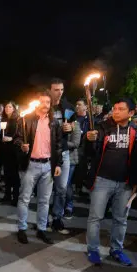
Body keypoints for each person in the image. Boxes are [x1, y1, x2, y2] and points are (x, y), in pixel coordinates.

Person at [83, 98, 137, 266]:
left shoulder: (136, 131)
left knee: (120, 219)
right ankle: (93, 249)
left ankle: (116, 249)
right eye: (115, 108)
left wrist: (135, 183)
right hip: (102, 180)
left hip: (125, 183)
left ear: (131, 113)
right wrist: (89, 139)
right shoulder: (102, 127)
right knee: (95, 217)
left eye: (121, 109)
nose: (115, 111)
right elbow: (90, 152)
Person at [14, 90, 63, 245]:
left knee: (44, 200)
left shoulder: (54, 122)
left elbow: (58, 145)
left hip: (48, 165)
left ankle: (41, 228)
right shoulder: (26, 119)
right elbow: (16, 138)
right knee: (25, 198)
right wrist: (22, 145)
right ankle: (22, 228)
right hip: (30, 165)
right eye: (42, 101)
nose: (45, 105)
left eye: (48, 102)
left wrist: (58, 164)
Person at [49, 78, 76, 234]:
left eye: (61, 89)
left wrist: (69, 127)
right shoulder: (45, 106)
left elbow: (73, 126)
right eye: (56, 89)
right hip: (47, 152)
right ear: (50, 90)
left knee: (61, 188)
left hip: (63, 152)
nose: (59, 92)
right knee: (45, 189)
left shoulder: (68, 107)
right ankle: (43, 218)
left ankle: (57, 217)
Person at [0, 102, 20, 205]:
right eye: (6, 106)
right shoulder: (3, 119)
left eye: (10, 106)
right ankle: (7, 195)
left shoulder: (17, 120)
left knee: (14, 175)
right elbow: (0, 135)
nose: (7, 108)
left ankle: (15, 197)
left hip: (13, 150)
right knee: (6, 174)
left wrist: (11, 138)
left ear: (14, 108)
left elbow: (19, 135)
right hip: (4, 150)